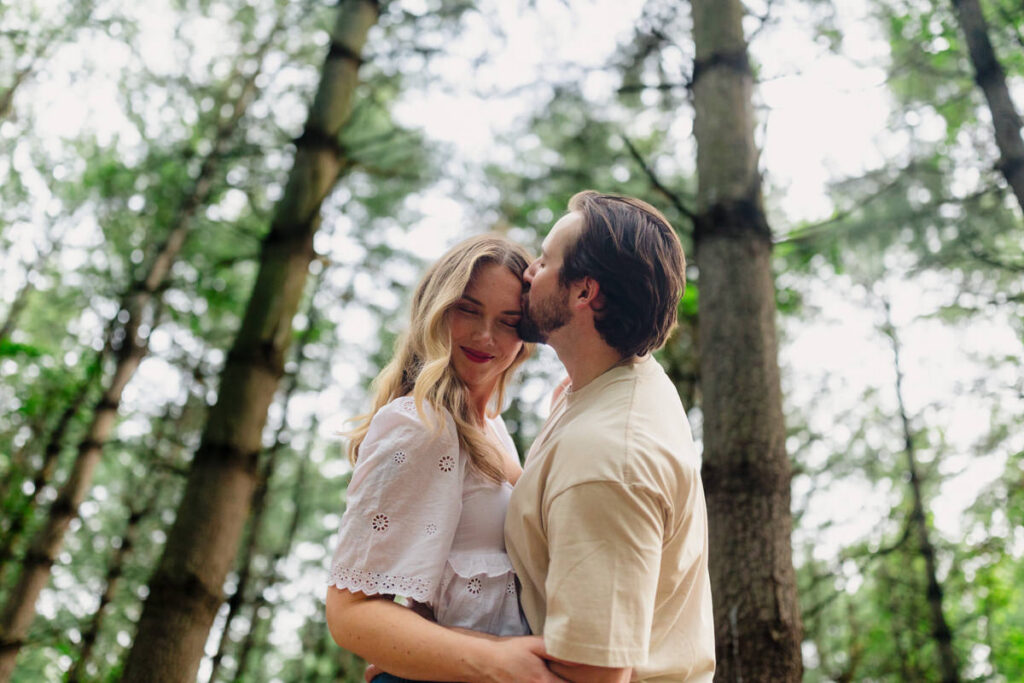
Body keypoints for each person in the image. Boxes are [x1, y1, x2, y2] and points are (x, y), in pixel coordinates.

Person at [324, 235, 562, 683]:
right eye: (468, 310)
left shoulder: (494, 428)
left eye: (509, 321)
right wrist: (494, 660)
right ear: (436, 308)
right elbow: (349, 614)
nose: (485, 335)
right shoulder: (419, 423)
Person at [505, 191, 716, 682]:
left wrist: (436, 657)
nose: (529, 273)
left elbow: (593, 676)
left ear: (584, 293)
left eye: (545, 260)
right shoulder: (617, 380)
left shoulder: (607, 456)